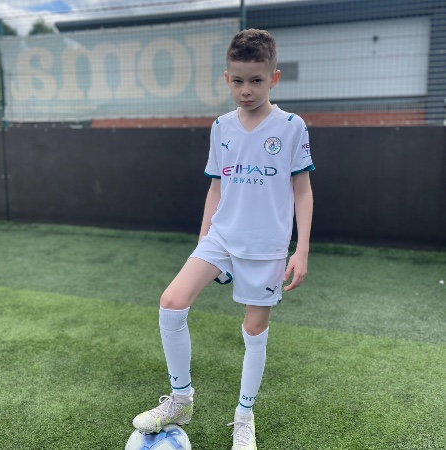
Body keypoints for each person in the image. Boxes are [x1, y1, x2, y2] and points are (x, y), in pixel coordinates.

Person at [132, 28, 314, 450]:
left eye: (256, 80)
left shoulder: (291, 127)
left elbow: (302, 191)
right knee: (172, 302)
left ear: (274, 79)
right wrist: (204, 237)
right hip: (221, 236)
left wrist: (301, 249)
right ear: (227, 78)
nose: (246, 90)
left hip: (266, 246)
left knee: (254, 328)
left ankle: (244, 417)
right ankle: (181, 400)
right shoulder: (221, 126)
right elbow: (216, 186)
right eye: (238, 80)